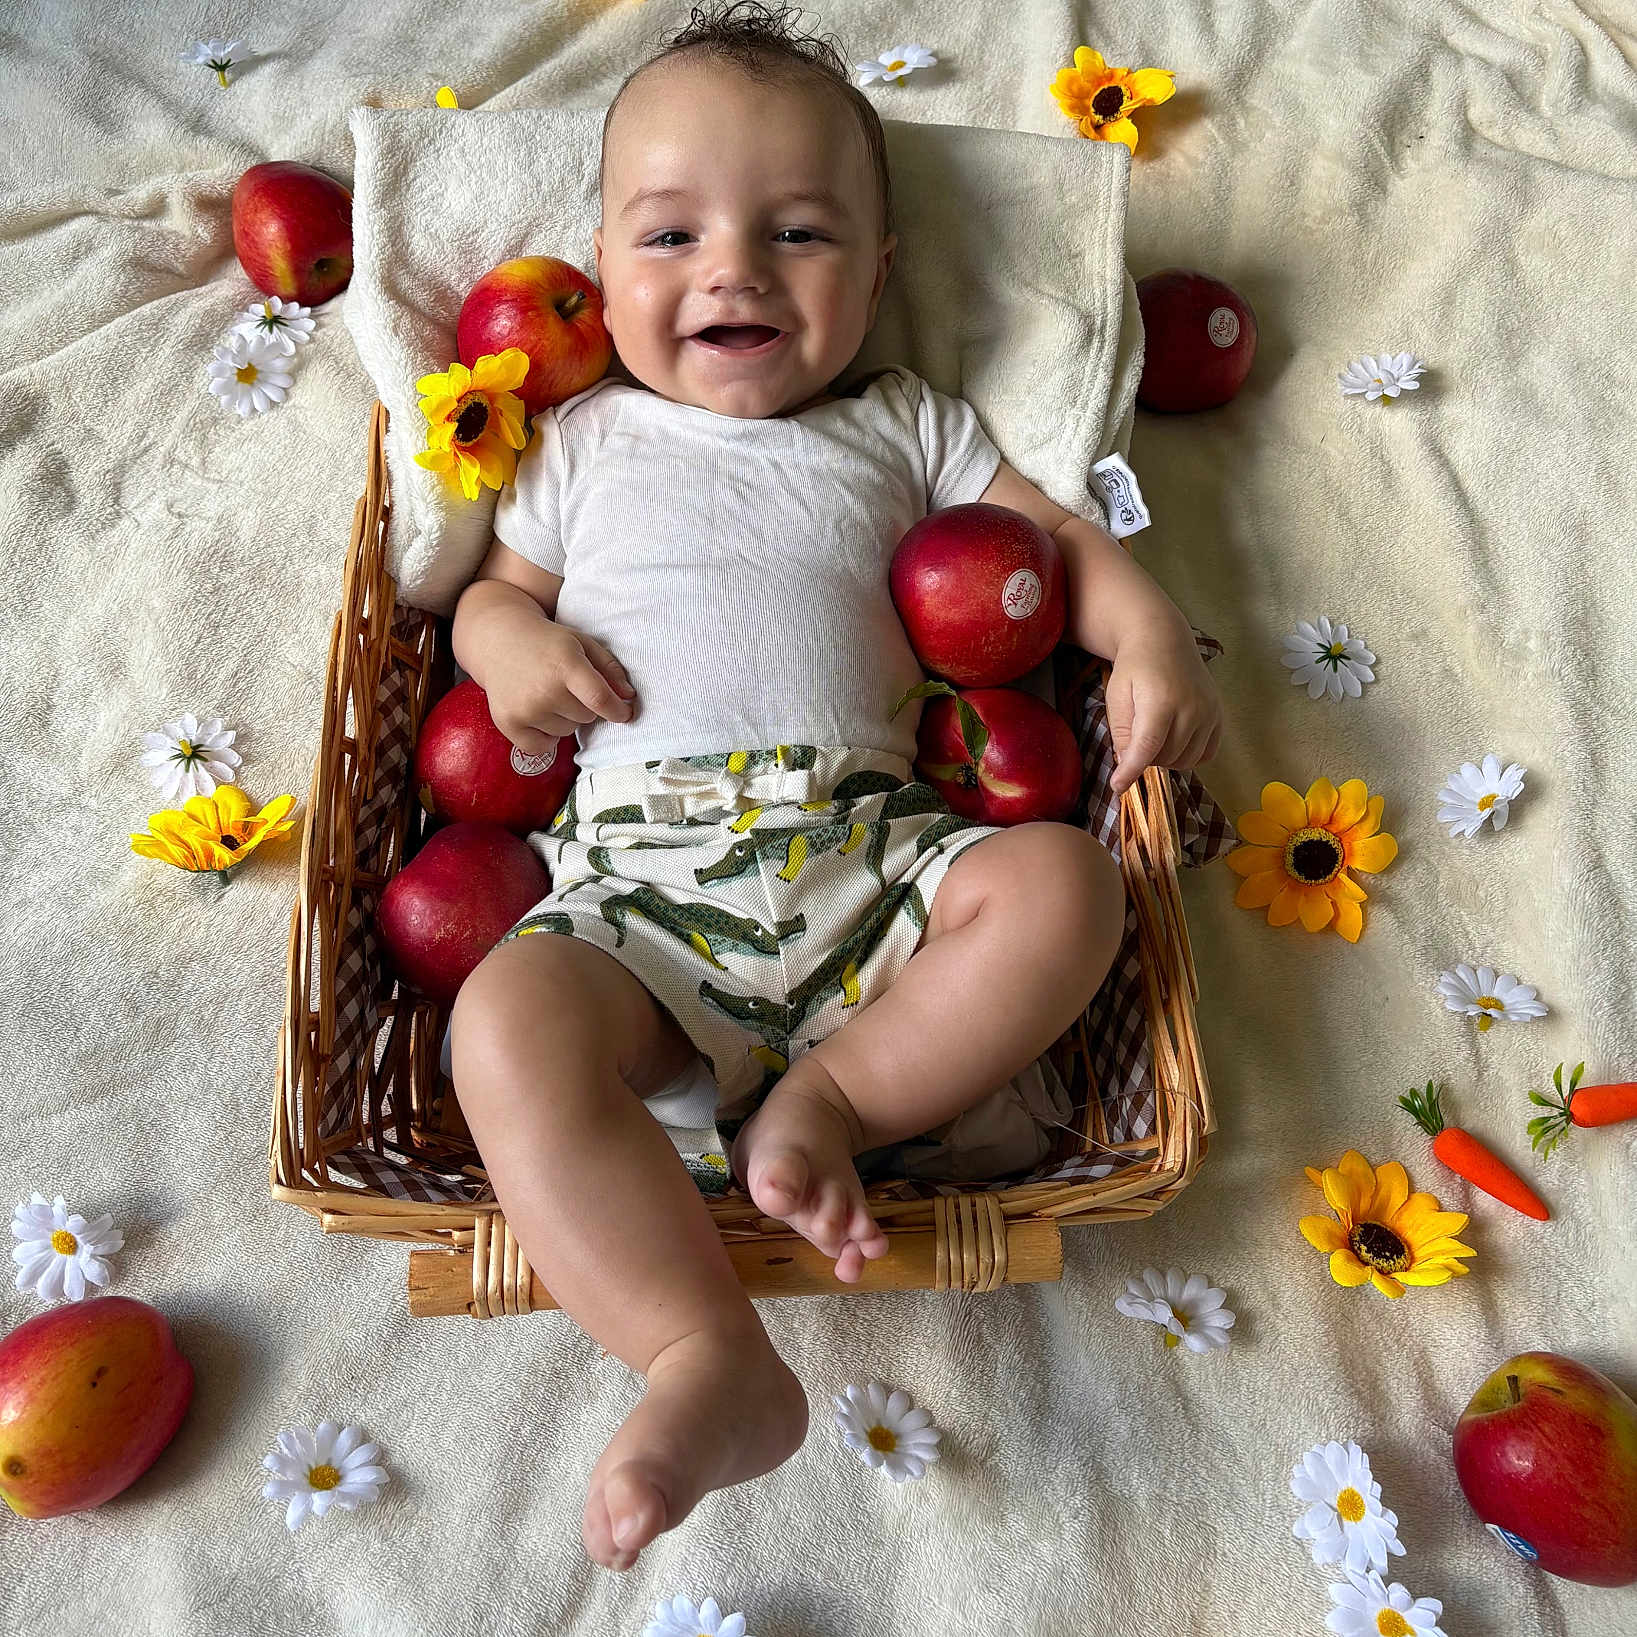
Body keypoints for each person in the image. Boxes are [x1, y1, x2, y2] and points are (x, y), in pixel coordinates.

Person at [448, 0, 1223, 1574]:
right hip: (641, 904)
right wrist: (505, 639)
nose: (730, 268)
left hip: (874, 853)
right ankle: (702, 1354)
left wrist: (1144, 628)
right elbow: (482, 595)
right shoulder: (584, 441)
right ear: (596, 270)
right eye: (671, 233)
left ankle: (836, 1098)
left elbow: (1055, 546)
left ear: (874, 275)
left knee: (1067, 882)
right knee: (501, 1021)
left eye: (796, 232)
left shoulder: (906, 423)